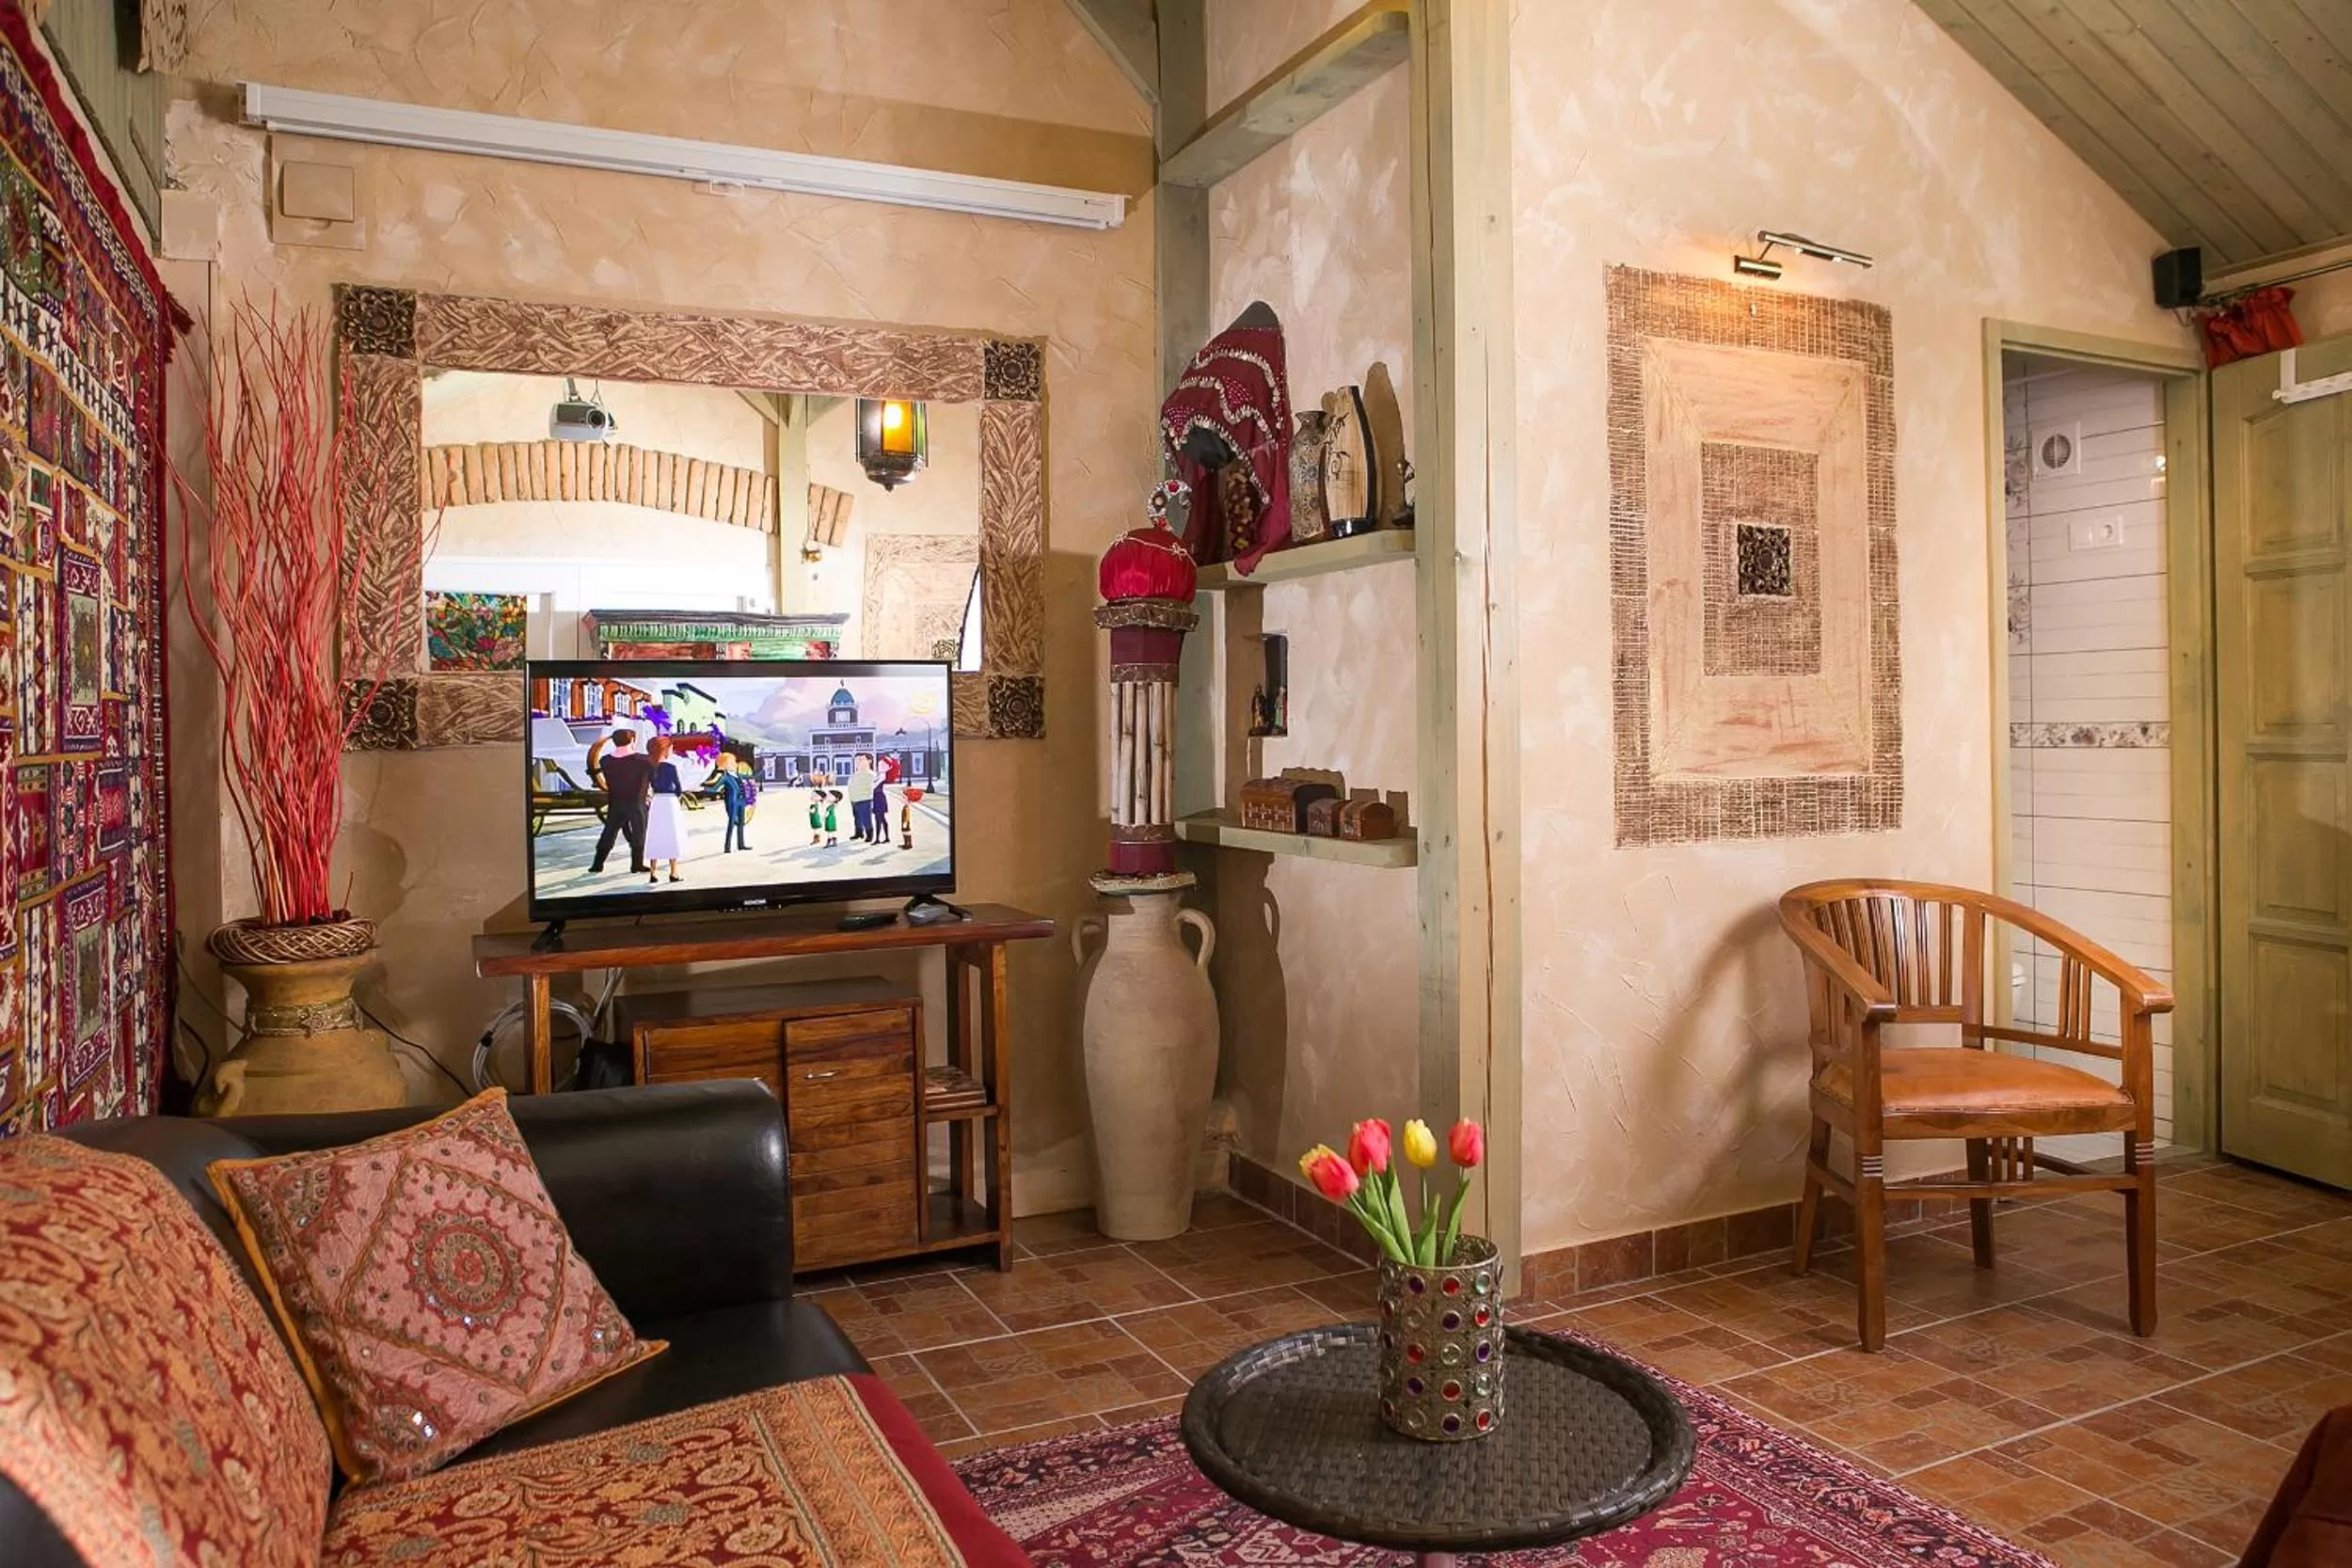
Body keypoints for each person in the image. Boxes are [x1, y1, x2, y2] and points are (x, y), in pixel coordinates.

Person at [586, 727, 652, 875]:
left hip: (616, 802)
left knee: (609, 833)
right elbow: (654, 778)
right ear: (632, 740)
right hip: (636, 803)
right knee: (639, 833)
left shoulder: (605, 760)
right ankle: (637, 864)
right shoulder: (644, 760)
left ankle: (597, 864)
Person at [642, 736, 687, 883]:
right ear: (665, 749)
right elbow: (678, 789)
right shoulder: (670, 767)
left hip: (656, 802)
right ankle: (674, 872)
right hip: (669, 802)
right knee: (672, 835)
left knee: (655, 834)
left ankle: (653, 873)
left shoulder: (649, 768)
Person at [715, 753, 755, 853]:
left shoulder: (737, 775)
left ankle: (741, 844)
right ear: (725, 765)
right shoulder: (725, 777)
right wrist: (702, 788)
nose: (734, 764)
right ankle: (727, 847)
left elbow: (751, 776)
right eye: (731, 762)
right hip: (733, 803)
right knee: (731, 823)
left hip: (741, 801)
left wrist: (764, 769)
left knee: (741, 823)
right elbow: (714, 788)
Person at [847, 753, 880, 842]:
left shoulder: (871, 774)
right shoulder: (854, 775)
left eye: (862, 759)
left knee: (866, 818)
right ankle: (859, 832)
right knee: (857, 818)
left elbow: (875, 786)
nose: (858, 762)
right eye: (857, 760)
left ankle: (869, 834)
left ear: (869, 761)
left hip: (865, 799)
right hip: (854, 799)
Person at [870, 753, 898, 849]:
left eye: (881, 764)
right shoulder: (879, 775)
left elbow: (873, 786)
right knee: (881, 818)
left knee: (879, 819)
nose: (879, 766)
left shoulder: (883, 775)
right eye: (878, 764)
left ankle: (878, 838)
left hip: (879, 798)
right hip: (876, 797)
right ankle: (886, 837)